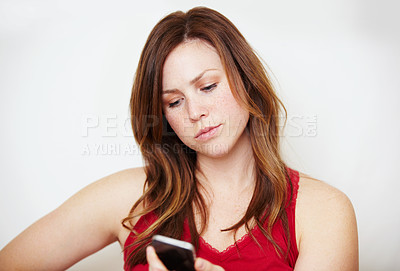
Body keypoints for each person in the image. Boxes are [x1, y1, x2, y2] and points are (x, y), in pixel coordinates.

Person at [0, 6, 358, 271]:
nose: (194, 112)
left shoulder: (321, 211)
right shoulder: (129, 198)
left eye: (208, 86)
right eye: (173, 101)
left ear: (246, 81)